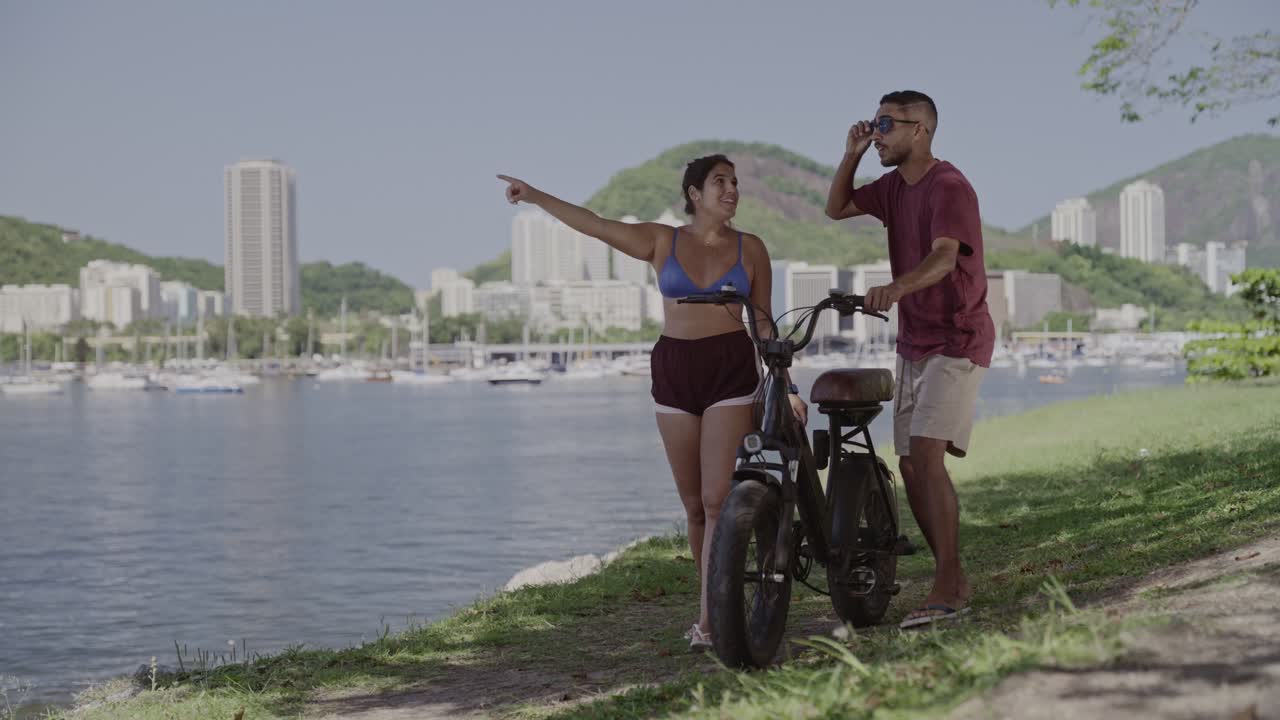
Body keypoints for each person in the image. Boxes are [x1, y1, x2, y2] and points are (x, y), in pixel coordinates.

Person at [499, 155, 806, 649]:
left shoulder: (753, 249)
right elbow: (596, 225)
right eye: (719, 182)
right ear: (694, 194)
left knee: (716, 497)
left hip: (730, 370)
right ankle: (710, 602)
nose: (731, 190)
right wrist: (534, 195)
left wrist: (786, 386)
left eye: (734, 182)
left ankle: (711, 621)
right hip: (673, 371)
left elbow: (764, 325)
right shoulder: (663, 241)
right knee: (694, 506)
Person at [824, 90, 995, 629]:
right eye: (873, 123)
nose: (877, 132)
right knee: (909, 465)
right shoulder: (893, 186)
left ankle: (949, 582)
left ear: (919, 129)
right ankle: (952, 574)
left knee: (926, 454)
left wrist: (896, 288)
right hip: (915, 340)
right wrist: (851, 151)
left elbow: (946, 257)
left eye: (885, 124)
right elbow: (837, 208)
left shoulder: (950, 186)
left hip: (957, 336)